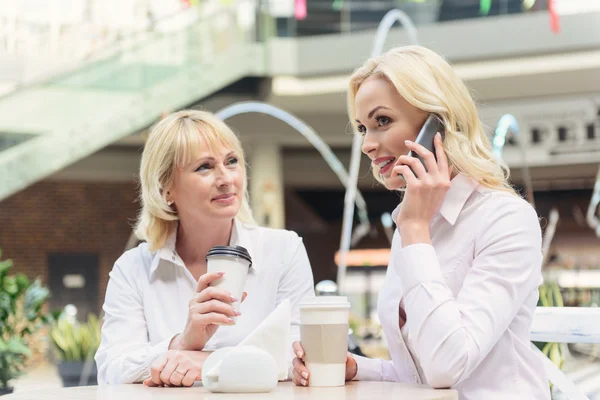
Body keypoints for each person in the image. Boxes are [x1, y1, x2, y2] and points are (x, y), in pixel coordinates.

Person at [291, 45, 549, 399]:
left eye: (382, 121)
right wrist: (355, 367)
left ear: (438, 124)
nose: (367, 144)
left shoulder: (505, 219)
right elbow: (419, 372)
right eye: (362, 127)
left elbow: (449, 365)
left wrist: (414, 229)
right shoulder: (414, 223)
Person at [96, 109, 315, 386]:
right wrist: (182, 342)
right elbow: (111, 371)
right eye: (205, 167)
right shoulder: (132, 269)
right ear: (166, 189)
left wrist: (212, 361)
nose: (226, 179)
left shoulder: (284, 251)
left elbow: (302, 355)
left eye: (232, 161)